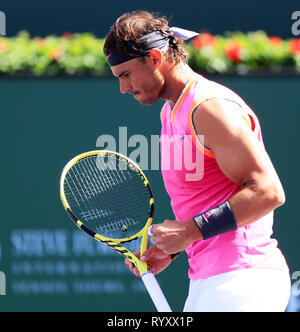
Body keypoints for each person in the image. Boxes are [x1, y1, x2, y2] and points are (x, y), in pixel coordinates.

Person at [103, 10, 291, 312]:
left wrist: (191, 230)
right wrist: (175, 248)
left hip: (244, 280)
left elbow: (268, 192)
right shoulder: (171, 111)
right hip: (210, 278)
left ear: (154, 58)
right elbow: (210, 199)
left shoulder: (207, 108)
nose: (123, 88)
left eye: (126, 74)